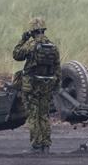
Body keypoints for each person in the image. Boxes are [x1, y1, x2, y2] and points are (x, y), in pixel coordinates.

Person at [12, 17, 61, 153]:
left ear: (32, 31)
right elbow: (57, 68)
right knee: (44, 115)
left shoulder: (31, 45)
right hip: (47, 86)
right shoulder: (53, 47)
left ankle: (36, 145)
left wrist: (23, 39)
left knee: (33, 116)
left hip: (31, 86)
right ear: (44, 30)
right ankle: (46, 145)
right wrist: (56, 86)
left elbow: (16, 55)